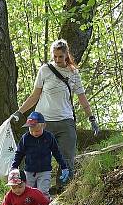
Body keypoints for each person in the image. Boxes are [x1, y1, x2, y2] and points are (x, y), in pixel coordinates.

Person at [11, 38, 100, 190]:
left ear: (66, 55)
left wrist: (92, 118)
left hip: (66, 121)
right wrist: (20, 112)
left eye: (61, 56)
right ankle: (29, 190)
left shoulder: (73, 73)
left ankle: (63, 192)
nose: (58, 59)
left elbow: (82, 97)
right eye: (55, 56)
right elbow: (35, 95)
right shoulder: (44, 70)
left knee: (67, 157)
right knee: (34, 155)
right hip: (42, 121)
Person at [10, 111, 70, 196]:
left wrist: (64, 167)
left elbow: (56, 152)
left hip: (44, 171)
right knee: (29, 193)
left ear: (44, 126)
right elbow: (19, 153)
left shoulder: (49, 137)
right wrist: (14, 167)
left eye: (37, 130)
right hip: (29, 171)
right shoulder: (25, 138)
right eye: (31, 130)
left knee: (43, 192)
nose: (34, 133)